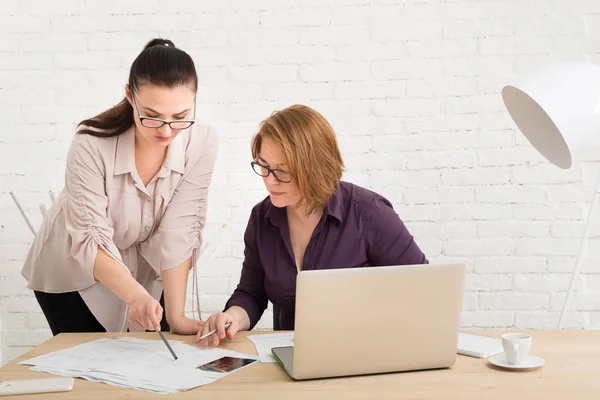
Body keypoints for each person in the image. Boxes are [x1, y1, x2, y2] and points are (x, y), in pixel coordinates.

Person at [21, 38, 217, 336]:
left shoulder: (201, 141)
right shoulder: (90, 143)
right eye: (151, 116)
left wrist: (176, 316)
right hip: (74, 272)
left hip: (144, 269)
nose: (166, 131)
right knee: (89, 372)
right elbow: (90, 237)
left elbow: (181, 228)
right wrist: (135, 295)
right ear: (129, 96)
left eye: (179, 117)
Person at [198, 104, 427, 347]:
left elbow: (422, 288)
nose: (269, 180)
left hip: (366, 350)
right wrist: (232, 316)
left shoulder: (368, 213)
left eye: (282, 171)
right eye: (263, 166)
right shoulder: (261, 218)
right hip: (295, 355)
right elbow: (251, 293)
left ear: (315, 168)